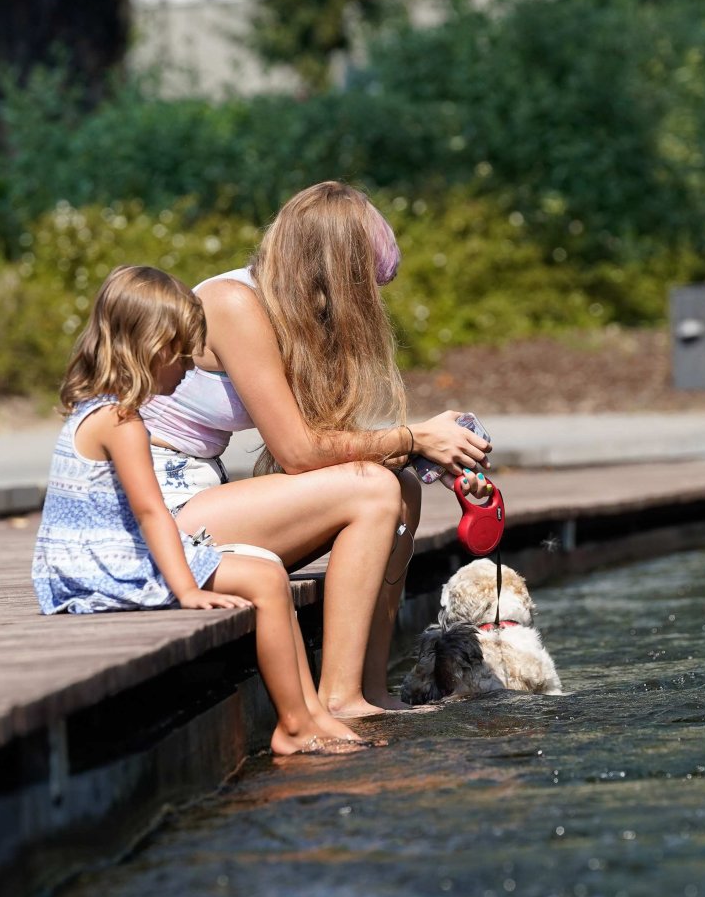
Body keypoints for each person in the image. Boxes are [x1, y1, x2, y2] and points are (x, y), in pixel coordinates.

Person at [141, 182, 490, 718]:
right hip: (158, 515)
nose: (367, 302)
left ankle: (370, 690)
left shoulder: (292, 316)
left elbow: (323, 451)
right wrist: (415, 436)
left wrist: (422, 457)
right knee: (373, 488)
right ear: (331, 269)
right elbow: (301, 453)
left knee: (400, 488)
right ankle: (340, 698)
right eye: (363, 285)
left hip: (200, 495)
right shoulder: (233, 302)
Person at [31, 266, 364, 755]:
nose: (189, 369)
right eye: (182, 355)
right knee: (265, 580)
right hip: (98, 566)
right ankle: (295, 725)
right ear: (153, 348)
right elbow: (150, 513)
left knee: (265, 568)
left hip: (98, 555)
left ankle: (312, 713)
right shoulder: (121, 421)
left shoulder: (104, 408)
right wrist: (186, 590)